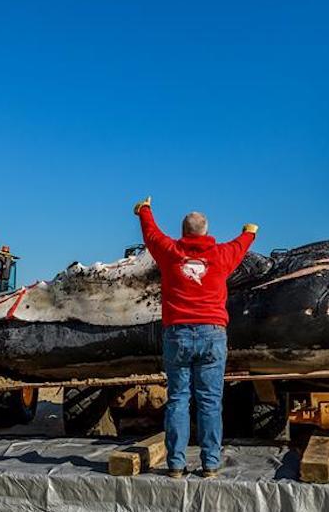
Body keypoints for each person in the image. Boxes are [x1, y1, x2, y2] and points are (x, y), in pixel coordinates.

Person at [134, 196, 257, 479]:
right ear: (205, 231)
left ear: (183, 231)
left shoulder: (169, 252)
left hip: (177, 334)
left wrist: (145, 210)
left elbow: (151, 234)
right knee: (210, 402)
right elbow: (242, 244)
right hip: (212, 334)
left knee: (177, 399)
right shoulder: (222, 254)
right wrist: (249, 231)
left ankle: (176, 464)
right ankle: (210, 464)